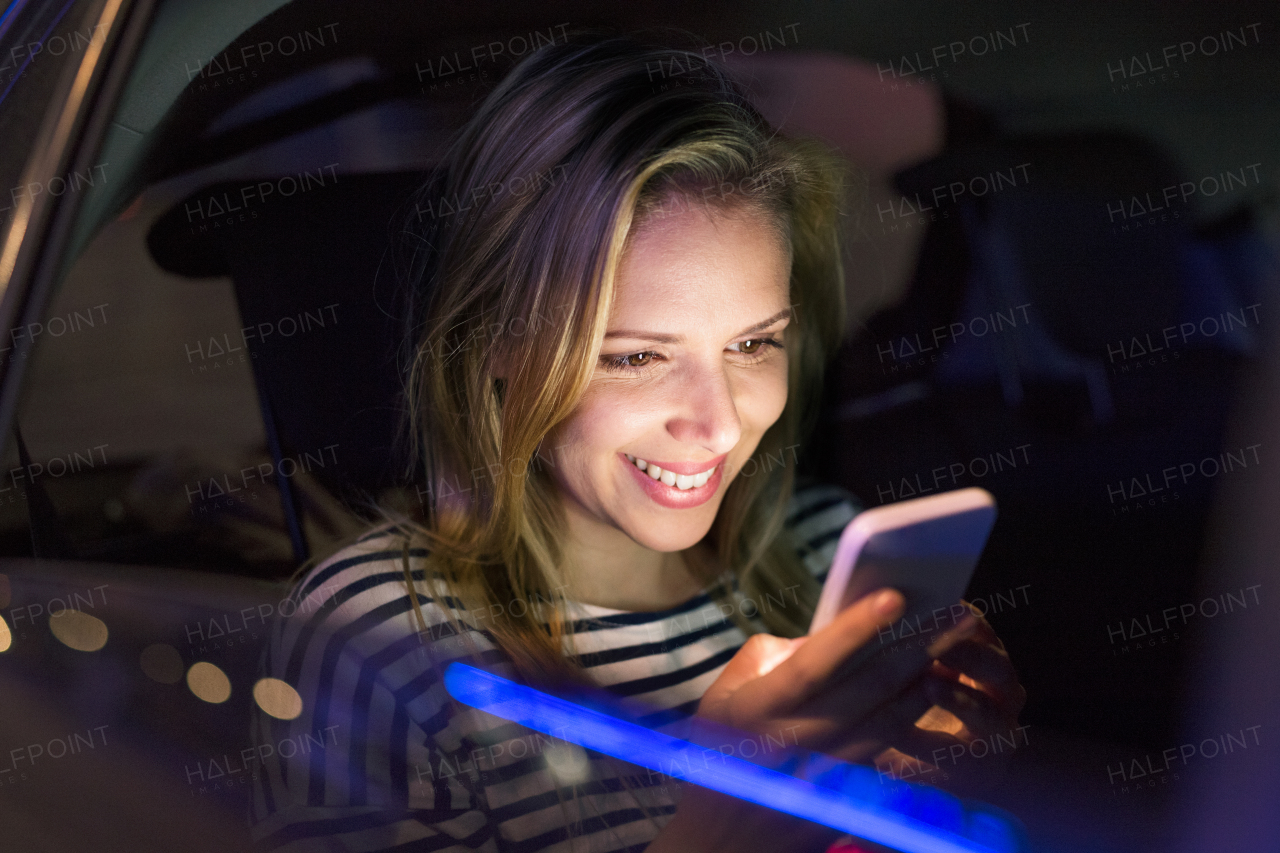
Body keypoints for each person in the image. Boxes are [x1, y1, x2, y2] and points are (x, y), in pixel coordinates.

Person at [248, 33, 1025, 853]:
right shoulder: (374, 641)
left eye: (754, 344)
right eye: (636, 356)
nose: (720, 423)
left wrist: (953, 791)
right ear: (495, 344)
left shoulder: (824, 550)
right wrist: (722, 820)